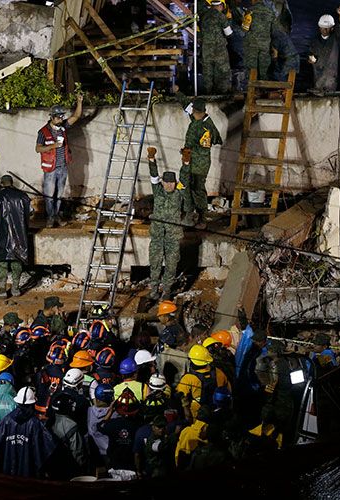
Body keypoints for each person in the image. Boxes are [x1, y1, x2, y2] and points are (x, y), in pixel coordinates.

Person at [172, 91, 223, 229]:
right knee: (185, 186)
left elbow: (204, 149)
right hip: (189, 161)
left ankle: (202, 217)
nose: (192, 113)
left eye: (194, 111)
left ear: (201, 112)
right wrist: (177, 92)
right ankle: (189, 214)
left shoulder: (207, 128)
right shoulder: (196, 118)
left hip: (200, 164)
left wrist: (189, 151)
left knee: (198, 189)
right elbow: (186, 105)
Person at [0, 387, 57, 478]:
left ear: (17, 402)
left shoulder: (7, 420)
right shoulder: (35, 424)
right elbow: (46, 450)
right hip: (29, 474)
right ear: (33, 403)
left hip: (8, 471)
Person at [34, 96, 83, 228]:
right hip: (50, 168)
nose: (61, 120)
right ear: (52, 117)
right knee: (49, 195)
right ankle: (50, 218)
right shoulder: (43, 132)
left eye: (62, 117)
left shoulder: (63, 127)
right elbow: (38, 148)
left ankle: (57, 216)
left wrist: (79, 102)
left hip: (63, 167)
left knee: (59, 195)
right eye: (59, 117)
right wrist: (53, 146)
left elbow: (76, 116)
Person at [146, 147, 185, 300]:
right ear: (162, 183)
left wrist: (186, 162)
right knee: (155, 263)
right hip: (157, 236)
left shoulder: (179, 193)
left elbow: (185, 178)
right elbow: (153, 175)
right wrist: (151, 159)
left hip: (173, 236)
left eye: (171, 183)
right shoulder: (157, 191)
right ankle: (154, 290)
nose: (169, 185)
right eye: (166, 182)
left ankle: (167, 290)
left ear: (175, 183)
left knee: (171, 264)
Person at [0, 174, 32, 299]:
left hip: (1, 235)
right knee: (17, 260)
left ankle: (2, 289)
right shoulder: (23, 196)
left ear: (1, 183)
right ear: (12, 183)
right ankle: (16, 289)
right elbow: (29, 214)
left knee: (1, 263)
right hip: (18, 235)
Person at [176, 344, 231, 420]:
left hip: (198, 417)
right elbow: (228, 392)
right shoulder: (219, 373)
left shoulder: (188, 379)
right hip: (218, 414)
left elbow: (182, 400)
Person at [98, 388, 144, 475]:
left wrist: (110, 411)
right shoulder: (139, 425)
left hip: (115, 467)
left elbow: (100, 426)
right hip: (132, 468)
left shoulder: (112, 424)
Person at [46, 391, 89, 479]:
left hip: (49, 466)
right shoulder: (72, 425)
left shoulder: (47, 423)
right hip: (67, 468)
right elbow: (78, 452)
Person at [200, 0, 233, 95]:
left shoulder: (204, 16)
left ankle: (208, 95)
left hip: (206, 49)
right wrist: (229, 20)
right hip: (219, 50)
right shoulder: (221, 16)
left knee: (208, 73)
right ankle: (222, 94)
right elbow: (229, 33)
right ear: (221, 5)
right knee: (223, 72)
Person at [242, 0, 280, 82]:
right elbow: (275, 32)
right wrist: (275, 48)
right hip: (265, 45)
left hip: (251, 45)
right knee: (264, 69)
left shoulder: (249, 11)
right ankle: (263, 89)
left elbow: (244, 29)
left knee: (251, 68)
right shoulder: (270, 12)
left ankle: (251, 91)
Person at [309, 14, 340, 94]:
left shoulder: (335, 40)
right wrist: (311, 60)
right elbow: (311, 55)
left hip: (332, 80)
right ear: (319, 28)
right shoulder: (314, 42)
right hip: (318, 81)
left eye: (327, 28)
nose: (324, 30)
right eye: (322, 28)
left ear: (332, 28)